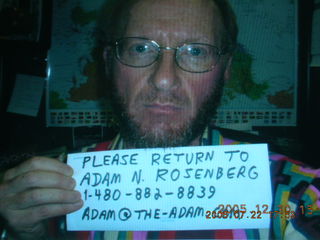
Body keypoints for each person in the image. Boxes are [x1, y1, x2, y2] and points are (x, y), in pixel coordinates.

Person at [0, 0, 319, 239]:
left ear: (226, 69)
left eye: (195, 51)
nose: (164, 79)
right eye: (140, 47)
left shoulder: (296, 194)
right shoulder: (46, 194)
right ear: (109, 62)